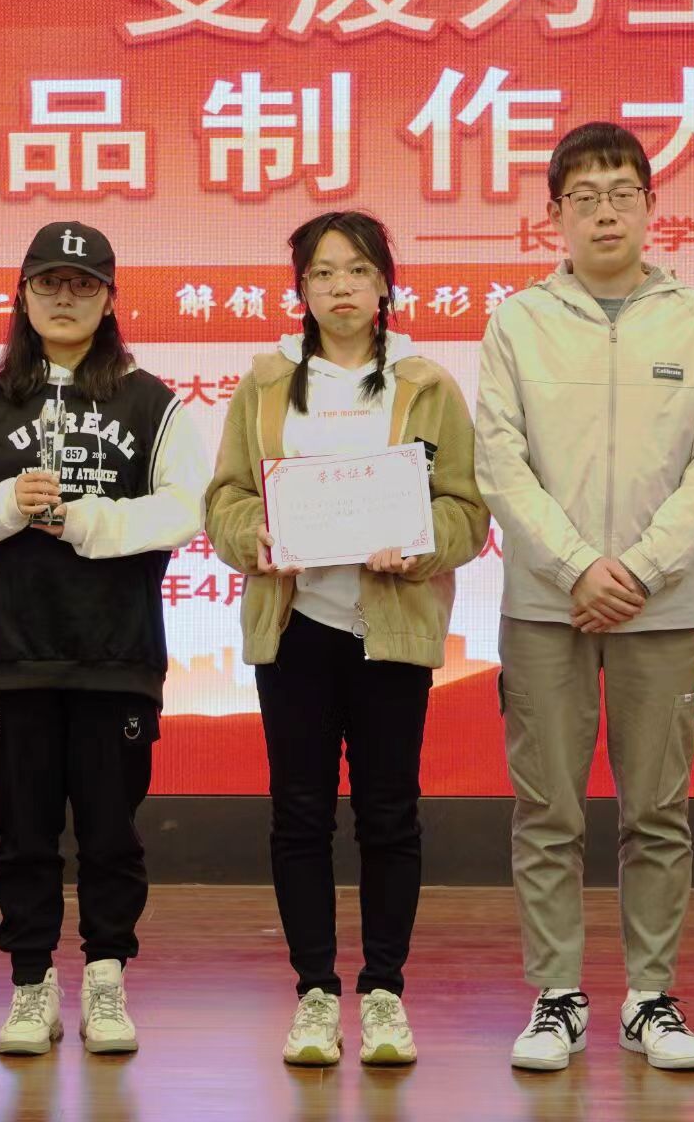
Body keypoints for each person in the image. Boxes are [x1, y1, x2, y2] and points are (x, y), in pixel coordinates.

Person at [474, 122, 694, 1073]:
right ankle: (556, 995)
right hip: (546, 606)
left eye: (621, 193)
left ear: (650, 206)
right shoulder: (517, 323)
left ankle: (649, 998)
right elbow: (500, 465)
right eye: (583, 197)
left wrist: (637, 572)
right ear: (553, 214)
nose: (604, 212)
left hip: (660, 610)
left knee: (657, 813)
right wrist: (578, 567)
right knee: (547, 810)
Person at [205, 211, 489, 1067]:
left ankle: (386, 993)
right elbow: (224, 498)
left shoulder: (426, 384)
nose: (340, 288)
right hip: (294, 627)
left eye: (358, 271)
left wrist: (420, 542)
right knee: (298, 814)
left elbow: (468, 510)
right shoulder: (265, 383)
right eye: (323, 273)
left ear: (384, 284)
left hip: (389, 628)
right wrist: (253, 534)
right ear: (300, 289)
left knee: (389, 813)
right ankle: (315, 994)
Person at [0, 221, 208, 1057]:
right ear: (22, 295)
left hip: (116, 652)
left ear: (109, 299)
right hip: (14, 651)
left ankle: (106, 977)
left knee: (110, 832)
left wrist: (86, 520)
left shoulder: (151, 401)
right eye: (48, 283)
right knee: (21, 834)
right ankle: (30, 984)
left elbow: (184, 511)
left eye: (82, 285)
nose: (64, 297)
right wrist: (7, 503)